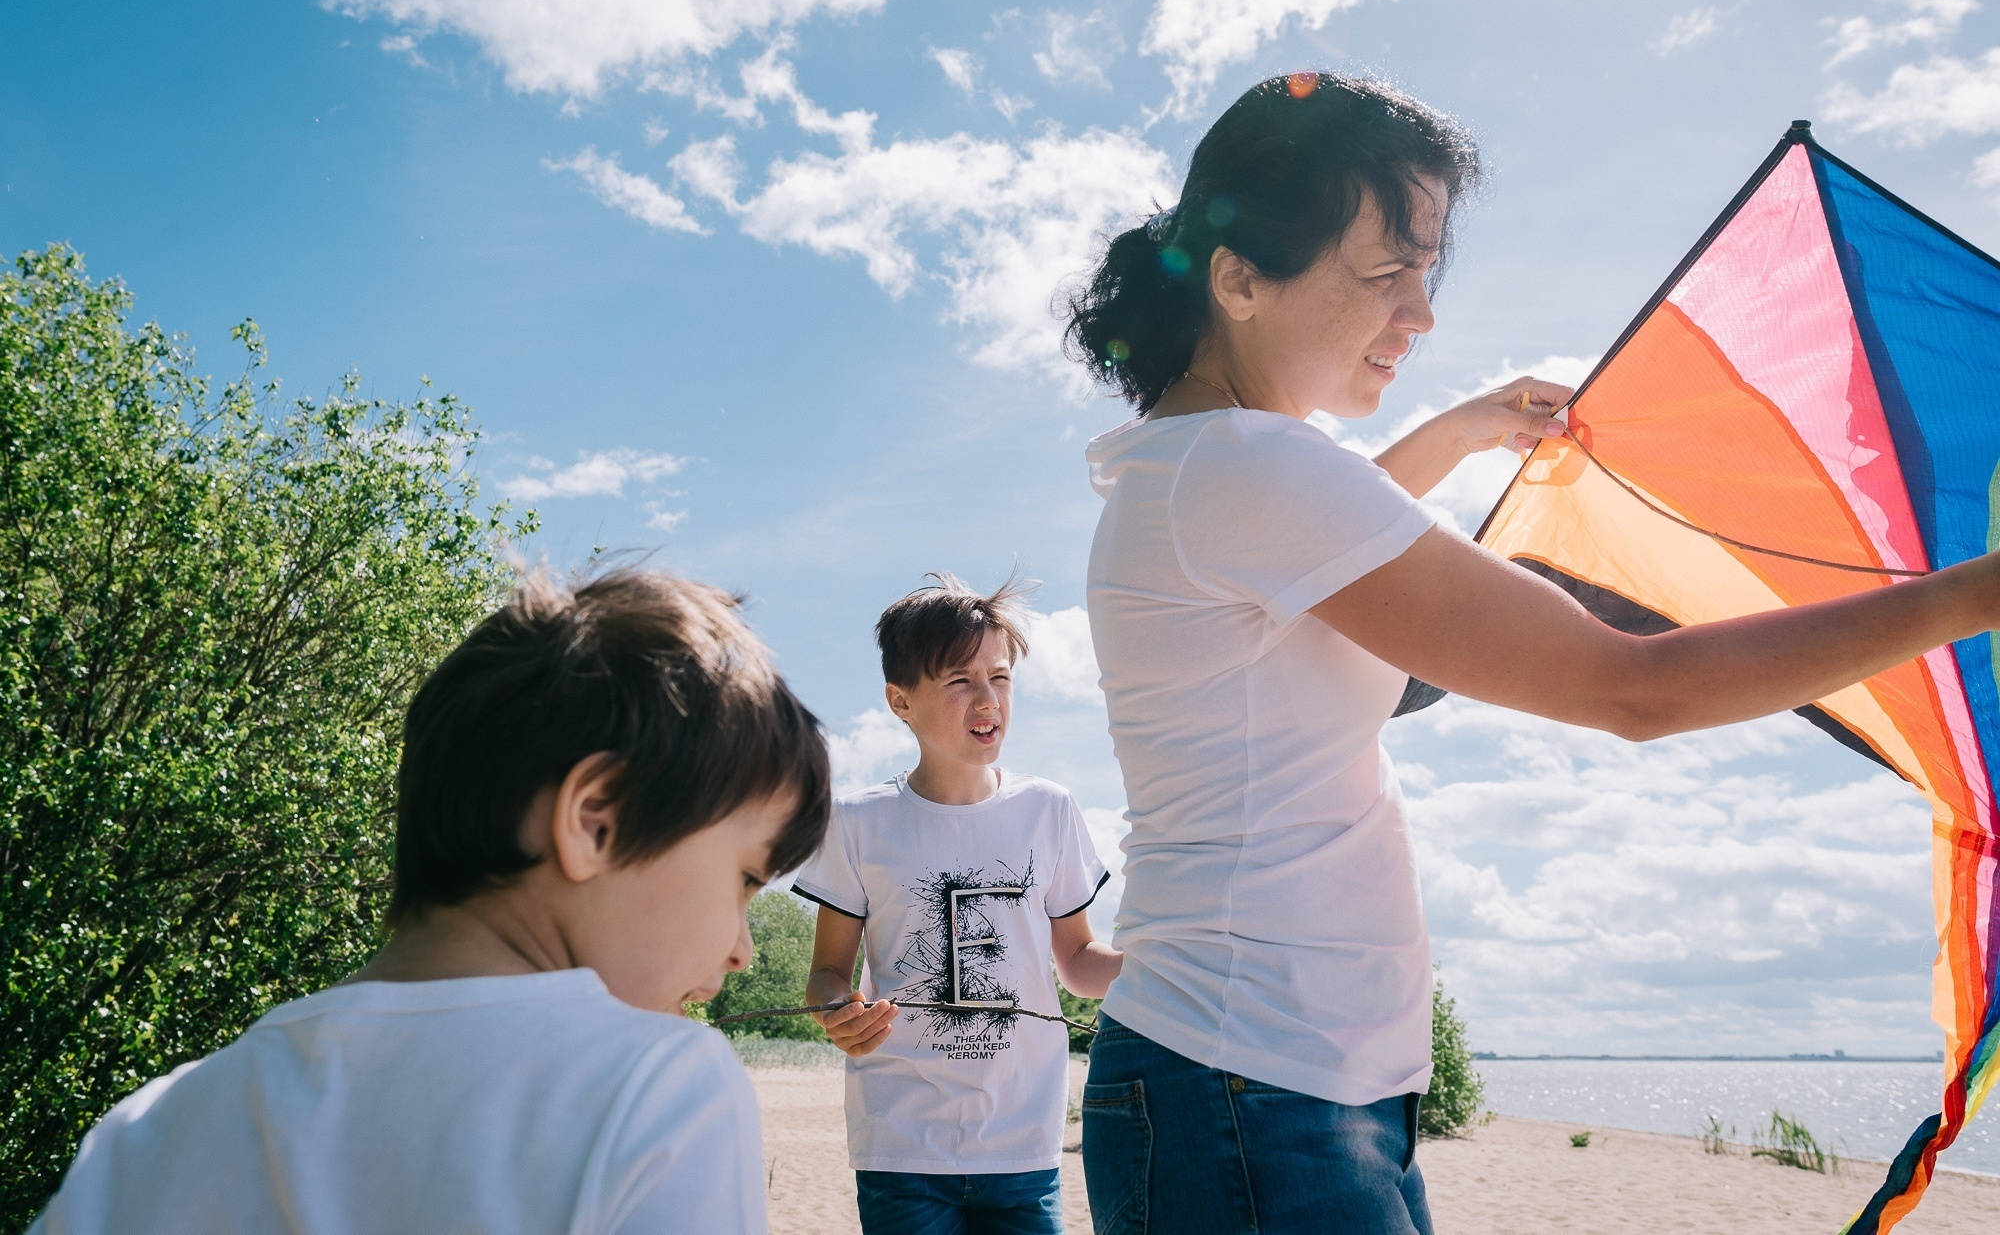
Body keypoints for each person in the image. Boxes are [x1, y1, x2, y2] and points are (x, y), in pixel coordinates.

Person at [1064, 71, 2000, 1235]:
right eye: (1385, 272)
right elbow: (1631, 688)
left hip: (1264, 1081)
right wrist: (1969, 594)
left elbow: (1325, 546)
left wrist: (1460, 431)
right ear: (1239, 278)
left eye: (1427, 273)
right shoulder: (1249, 469)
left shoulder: (1202, 466)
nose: (1420, 314)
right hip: (1248, 1091)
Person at [29, 569, 832, 1235]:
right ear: (598, 819)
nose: (742, 949)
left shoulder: (147, 1127)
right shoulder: (661, 1090)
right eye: (745, 880)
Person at [793, 574, 1121, 1235]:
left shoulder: (1049, 809)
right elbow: (826, 973)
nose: (988, 698)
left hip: (1023, 1140)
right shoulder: (857, 822)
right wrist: (836, 1011)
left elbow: (1080, 963)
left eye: (1000, 677)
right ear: (900, 700)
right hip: (900, 1142)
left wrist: (1169, 960)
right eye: (960, 681)